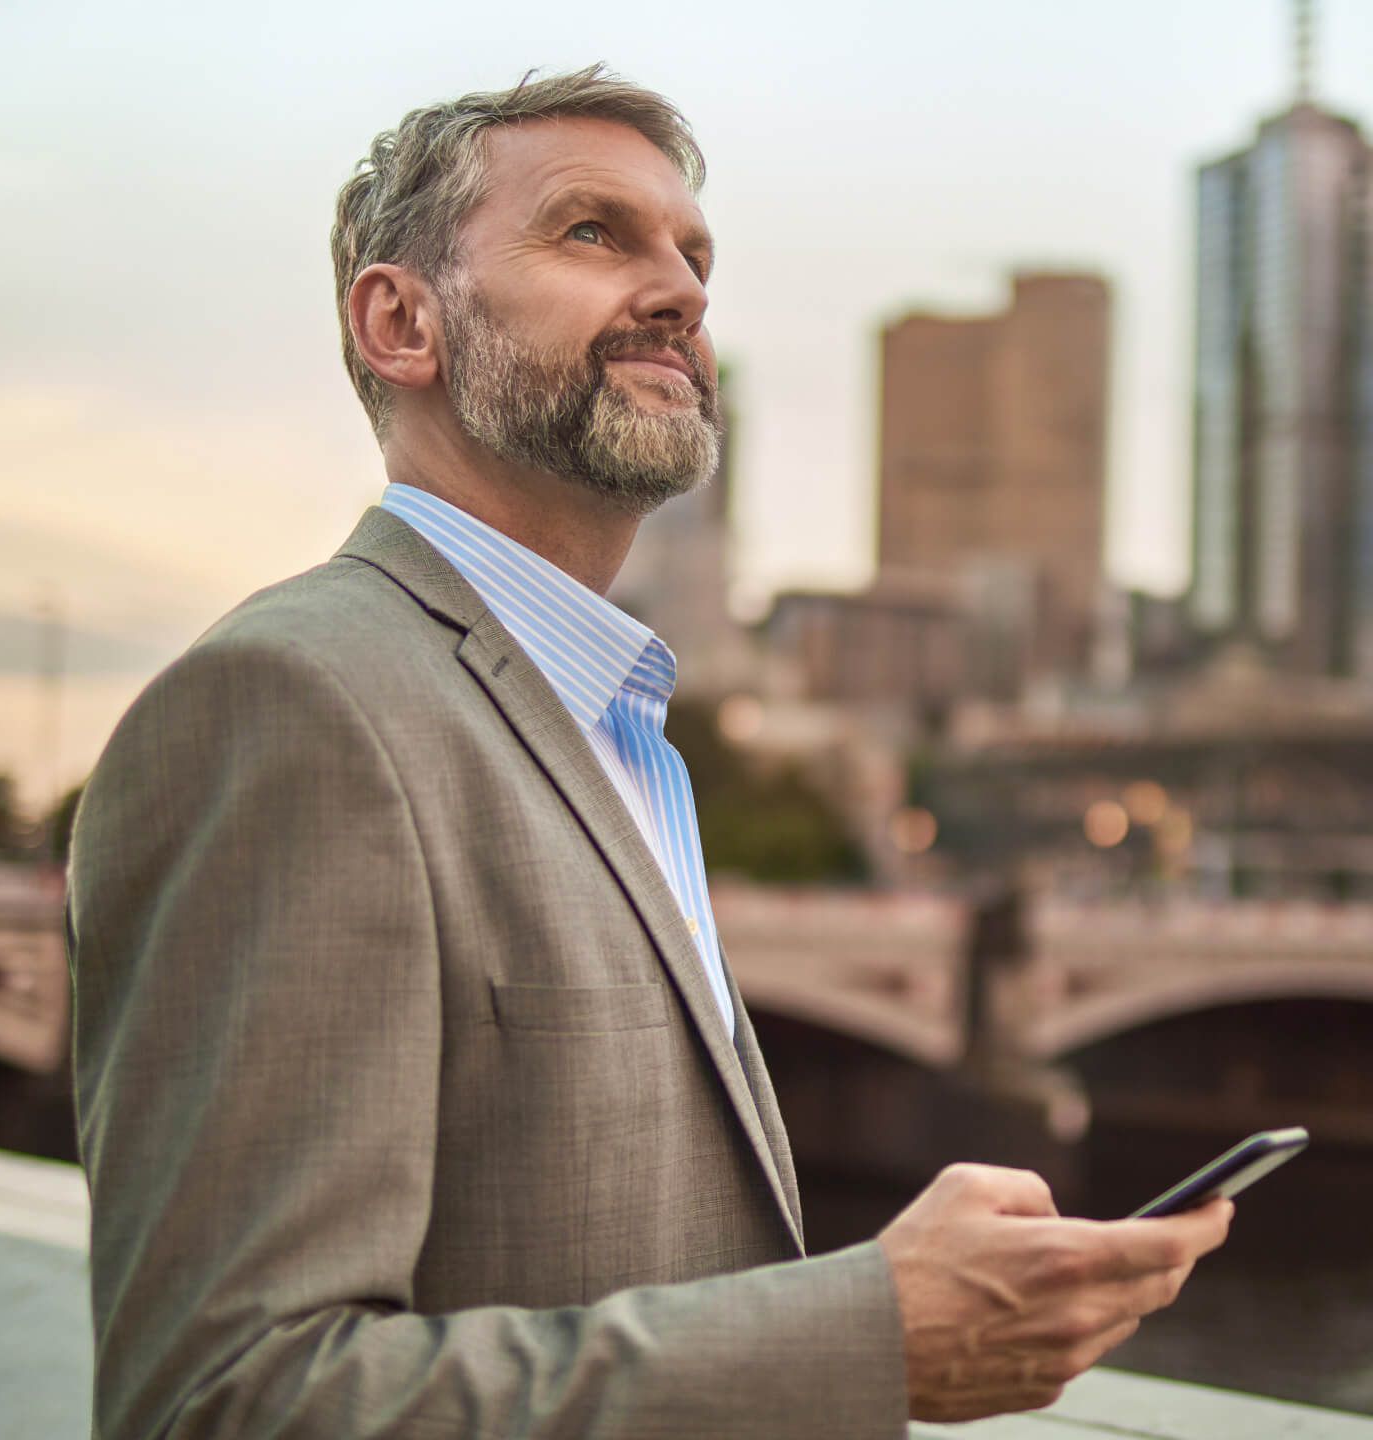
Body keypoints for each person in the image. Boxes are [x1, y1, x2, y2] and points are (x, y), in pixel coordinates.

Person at [67, 66, 1231, 1439]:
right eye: (591, 234)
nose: (680, 290)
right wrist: (866, 1332)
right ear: (401, 323)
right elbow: (225, 1402)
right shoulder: (294, 705)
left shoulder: (618, 731)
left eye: (695, 256)